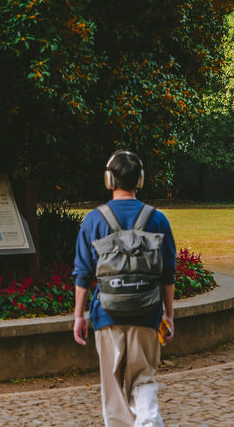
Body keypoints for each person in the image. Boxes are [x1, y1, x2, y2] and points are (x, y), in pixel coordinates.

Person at [73, 150, 176, 427]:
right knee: (143, 377)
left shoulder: (93, 220)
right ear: (139, 180)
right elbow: (168, 274)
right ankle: (149, 420)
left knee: (114, 388)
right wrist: (169, 315)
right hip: (147, 314)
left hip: (108, 315)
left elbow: (83, 273)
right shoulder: (157, 219)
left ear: (109, 180)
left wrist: (79, 316)